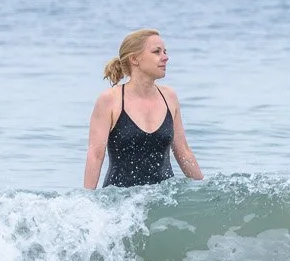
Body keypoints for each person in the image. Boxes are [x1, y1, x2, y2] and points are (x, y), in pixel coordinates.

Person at [83, 28, 204, 189]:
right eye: (157, 52)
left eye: (165, 52)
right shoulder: (110, 100)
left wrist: (206, 191)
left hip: (165, 201)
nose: (165, 57)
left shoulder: (169, 97)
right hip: (122, 204)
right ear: (134, 59)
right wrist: (87, 201)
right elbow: (95, 155)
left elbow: (183, 152)